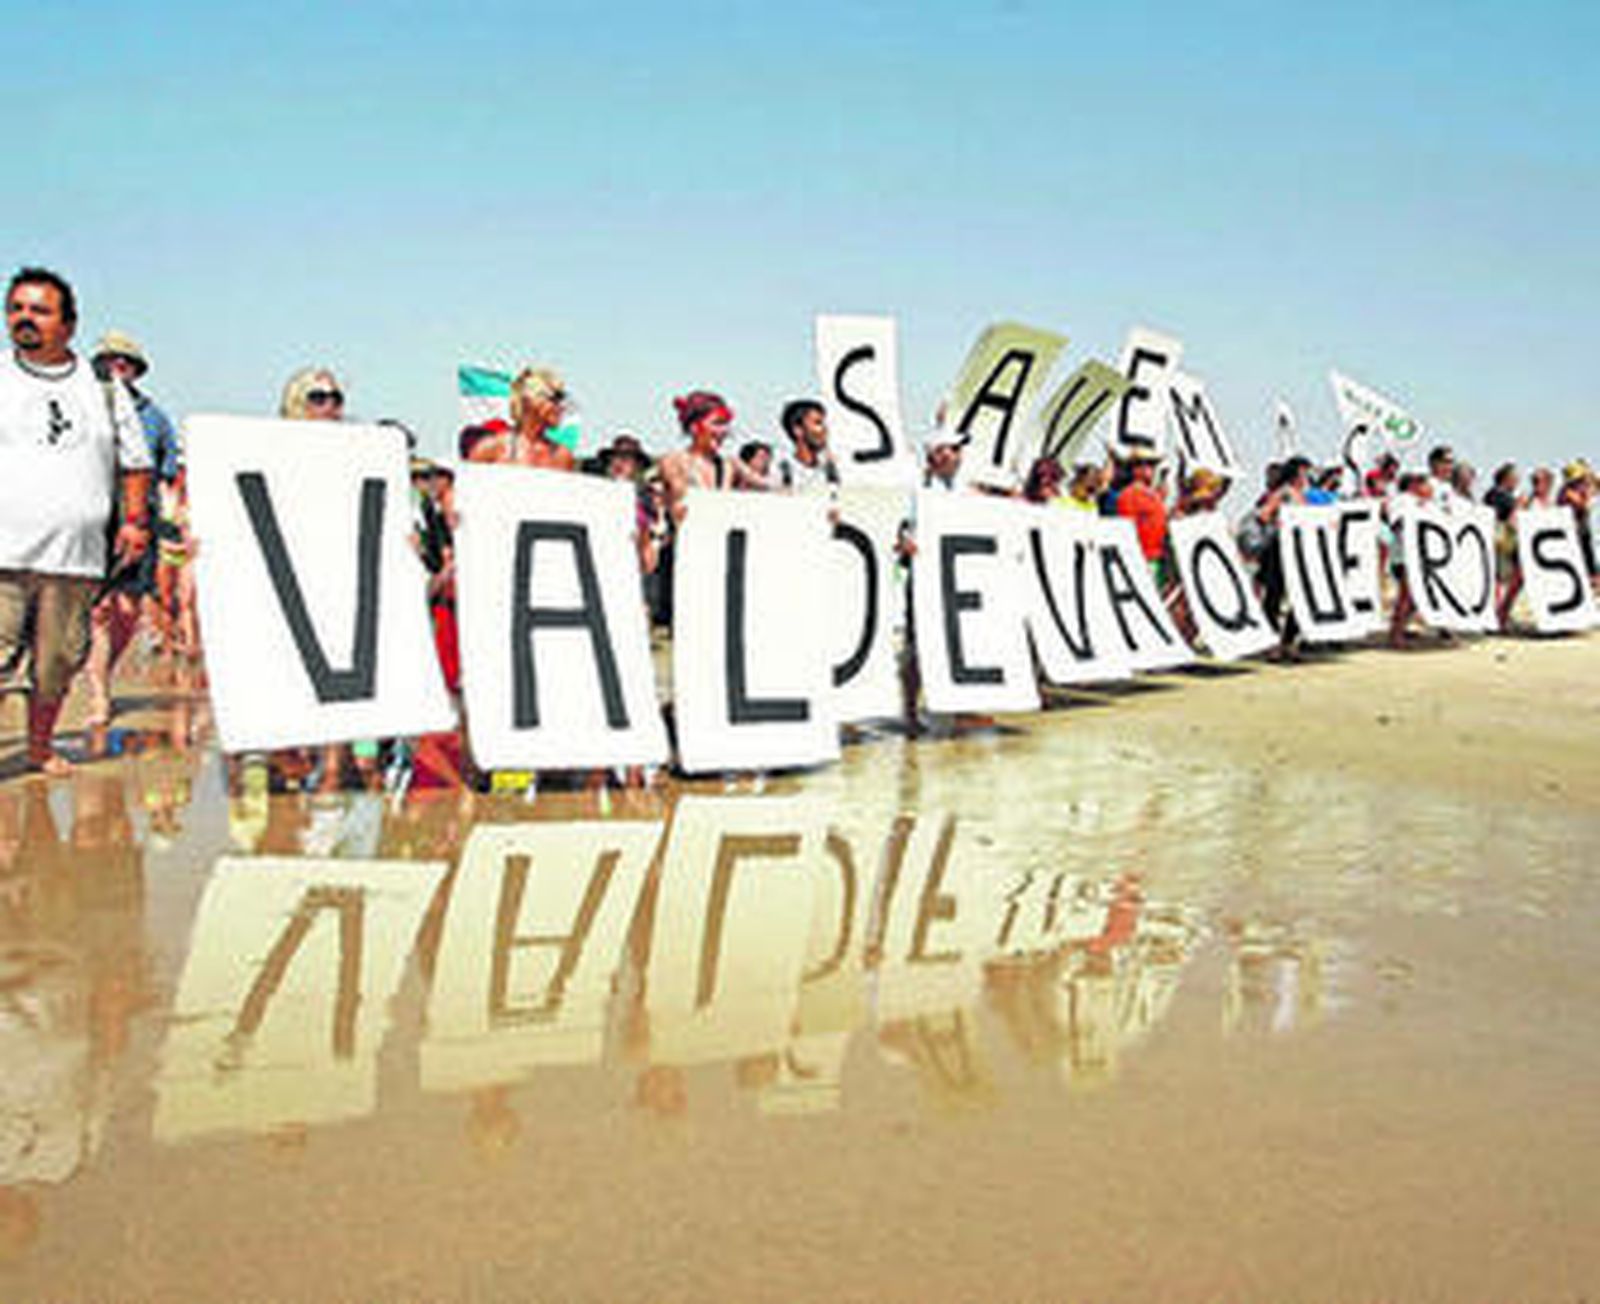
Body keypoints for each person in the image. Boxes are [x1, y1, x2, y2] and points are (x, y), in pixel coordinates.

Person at [0, 269, 152, 775]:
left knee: (58, 661)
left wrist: (134, 521)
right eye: (16, 308)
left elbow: (135, 462)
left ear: (68, 324)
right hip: (4, 550)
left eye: (39, 310)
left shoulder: (105, 391)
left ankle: (40, 747)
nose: (24, 318)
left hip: (76, 556)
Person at [81, 330, 183, 725]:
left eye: (125, 361)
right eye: (110, 360)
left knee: (126, 611)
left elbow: (167, 474)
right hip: (95, 518)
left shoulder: (155, 417)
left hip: (140, 520)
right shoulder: (85, 406)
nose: (117, 366)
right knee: (100, 611)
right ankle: (98, 694)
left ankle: (102, 670)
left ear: (136, 369)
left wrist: (171, 524)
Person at [1484, 462, 1521, 626]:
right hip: (1500, 540)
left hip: (1503, 540)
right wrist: (1518, 506)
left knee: (1502, 577)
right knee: (1499, 577)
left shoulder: (1495, 494)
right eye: (1514, 478)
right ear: (1506, 478)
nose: (1517, 481)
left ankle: (1500, 612)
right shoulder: (1499, 495)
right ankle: (1498, 613)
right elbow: (1505, 519)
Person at [777, 399, 840, 496]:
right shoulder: (782, 472)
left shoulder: (832, 470)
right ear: (798, 430)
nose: (824, 429)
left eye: (824, 423)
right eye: (817, 423)